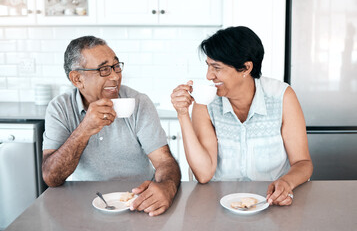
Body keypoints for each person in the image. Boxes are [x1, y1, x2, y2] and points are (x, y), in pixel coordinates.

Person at [171, 26, 313, 206]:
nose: (209, 76)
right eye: (208, 66)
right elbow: (204, 173)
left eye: (216, 67)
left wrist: (286, 183)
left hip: (272, 202)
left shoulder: (282, 96)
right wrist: (183, 114)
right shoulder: (206, 102)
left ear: (246, 68)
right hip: (221, 203)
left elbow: (303, 162)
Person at [42, 36, 181, 216]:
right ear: (77, 79)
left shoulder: (139, 103)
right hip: (80, 205)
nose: (115, 76)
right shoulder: (59, 108)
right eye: (104, 69)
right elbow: (51, 177)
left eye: (116, 66)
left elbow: (164, 162)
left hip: (136, 201)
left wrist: (167, 188)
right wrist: (85, 129)